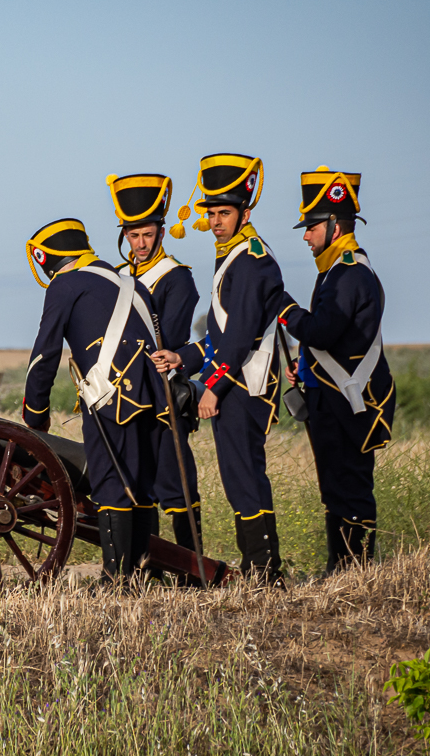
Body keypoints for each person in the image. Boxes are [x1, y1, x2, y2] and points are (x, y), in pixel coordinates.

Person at [153, 153, 286, 583]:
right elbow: (218, 333)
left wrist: (212, 386)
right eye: (210, 213)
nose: (214, 221)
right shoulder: (232, 256)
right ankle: (257, 567)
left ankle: (265, 571)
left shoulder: (250, 260)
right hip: (234, 381)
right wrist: (184, 357)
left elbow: (241, 335)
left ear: (245, 212)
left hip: (242, 385)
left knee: (244, 475)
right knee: (237, 475)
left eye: (223, 213)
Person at [22, 218, 165, 583]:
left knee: (111, 481)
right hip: (154, 393)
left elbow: (45, 353)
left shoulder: (65, 285)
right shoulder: (134, 284)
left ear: (52, 263)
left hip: (111, 396)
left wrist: (35, 412)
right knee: (141, 481)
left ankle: (116, 577)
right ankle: (143, 571)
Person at [279, 166, 395, 573]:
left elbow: (324, 330)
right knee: (335, 487)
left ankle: (356, 571)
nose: (306, 236)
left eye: (311, 226)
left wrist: (285, 308)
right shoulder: (336, 272)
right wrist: (304, 365)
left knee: (352, 487)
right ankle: (338, 568)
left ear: (333, 224)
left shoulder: (348, 273)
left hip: (353, 401)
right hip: (334, 398)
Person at [108, 172, 203, 556]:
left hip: (162, 391)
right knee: (135, 480)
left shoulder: (177, 279)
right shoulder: (115, 278)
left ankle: (190, 564)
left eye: (147, 234)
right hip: (125, 394)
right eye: (133, 235)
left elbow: (173, 336)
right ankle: (146, 561)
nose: (141, 243)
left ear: (162, 232)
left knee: (174, 483)